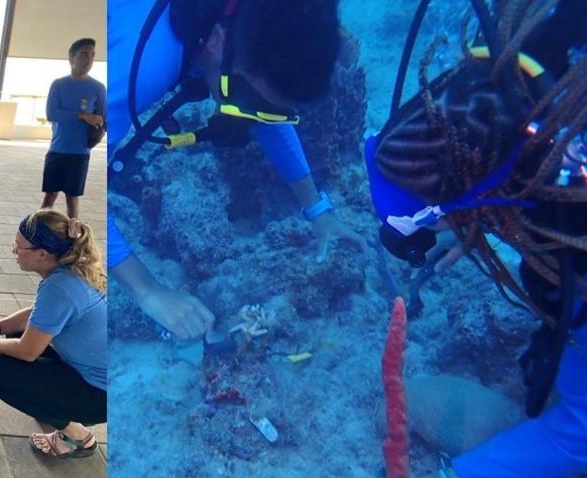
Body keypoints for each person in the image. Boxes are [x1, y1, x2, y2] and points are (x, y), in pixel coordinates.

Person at [365, 1, 587, 476]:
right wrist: (475, 220)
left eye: (431, 221)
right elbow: (506, 155)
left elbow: (579, 437)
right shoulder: (544, 69)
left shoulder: (574, 232)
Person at [107, 0, 365, 341]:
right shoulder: (136, 71)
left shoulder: (237, 28)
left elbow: (263, 112)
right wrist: (148, 290)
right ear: (216, 40)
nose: (249, 118)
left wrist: (318, 209)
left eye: (271, 110)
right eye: (248, 101)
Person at [0, 209, 107, 458]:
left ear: (42, 255)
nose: (13, 250)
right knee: (13, 337)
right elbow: (38, 315)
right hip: (104, 378)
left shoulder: (60, 287)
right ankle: (55, 406)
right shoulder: (72, 269)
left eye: (18, 246)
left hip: (101, 395)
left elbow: (28, 352)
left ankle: (77, 436)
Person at [41, 38, 106, 221]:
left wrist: (98, 122)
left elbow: (105, 119)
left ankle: (74, 240)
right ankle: (37, 231)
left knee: (72, 199)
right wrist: (82, 115)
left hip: (80, 153)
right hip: (57, 150)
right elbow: (52, 113)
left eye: (93, 55)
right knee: (50, 196)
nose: (89, 60)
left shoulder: (98, 88)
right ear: (72, 57)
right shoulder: (59, 85)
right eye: (84, 54)